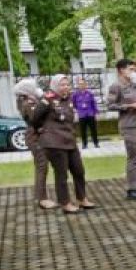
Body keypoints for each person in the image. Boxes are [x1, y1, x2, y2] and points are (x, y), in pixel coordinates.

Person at [32, 74, 96, 214]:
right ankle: (65, 203)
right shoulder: (47, 100)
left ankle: (81, 198)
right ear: (55, 85)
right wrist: (40, 129)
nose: (65, 87)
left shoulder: (69, 99)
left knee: (79, 170)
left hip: (69, 141)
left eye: (67, 84)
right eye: (62, 84)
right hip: (54, 143)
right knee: (62, 174)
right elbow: (35, 118)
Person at [106, 59, 136, 200]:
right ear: (121, 70)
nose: (133, 71)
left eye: (134, 69)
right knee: (133, 158)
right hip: (129, 126)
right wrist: (128, 106)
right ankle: (131, 189)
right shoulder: (116, 86)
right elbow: (110, 105)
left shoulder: (135, 85)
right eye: (130, 69)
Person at [14, 78, 53, 209]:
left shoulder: (28, 101)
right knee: (42, 165)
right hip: (34, 136)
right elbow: (35, 119)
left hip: (37, 135)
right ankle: (42, 198)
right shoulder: (27, 103)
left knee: (40, 166)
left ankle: (40, 196)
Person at [72, 77, 100, 148]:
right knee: (83, 130)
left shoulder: (89, 93)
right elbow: (74, 104)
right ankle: (84, 144)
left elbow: (94, 103)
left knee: (93, 130)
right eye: (80, 84)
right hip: (82, 115)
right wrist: (77, 110)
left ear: (85, 85)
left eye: (83, 84)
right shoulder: (75, 94)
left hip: (90, 114)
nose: (81, 85)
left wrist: (96, 113)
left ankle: (96, 143)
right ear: (78, 85)